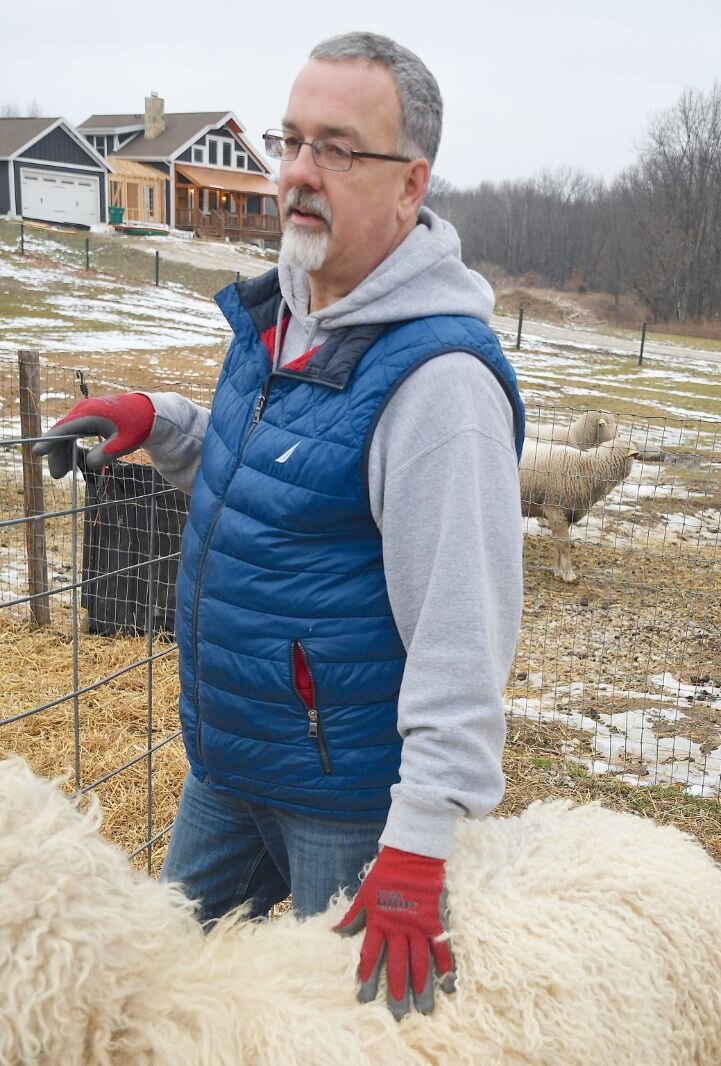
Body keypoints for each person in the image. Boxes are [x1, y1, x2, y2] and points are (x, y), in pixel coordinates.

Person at [34, 31, 525, 1020]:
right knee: (154, 1011)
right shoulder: (286, 314)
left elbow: (464, 642)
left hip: (347, 810)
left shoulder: (438, 387)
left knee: (350, 1037)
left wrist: (418, 849)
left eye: (338, 147)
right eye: (289, 140)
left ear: (408, 183)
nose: (298, 172)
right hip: (230, 765)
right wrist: (157, 424)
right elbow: (283, 469)